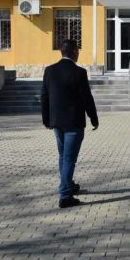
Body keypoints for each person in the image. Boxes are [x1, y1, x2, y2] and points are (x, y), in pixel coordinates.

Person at [41, 39, 99, 209]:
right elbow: (87, 97)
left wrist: (46, 120)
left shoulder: (50, 70)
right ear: (74, 52)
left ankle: (69, 184)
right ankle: (65, 196)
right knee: (69, 159)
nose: (78, 53)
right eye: (78, 51)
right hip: (74, 122)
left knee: (63, 156)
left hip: (57, 122)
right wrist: (93, 118)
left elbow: (44, 96)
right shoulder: (79, 72)